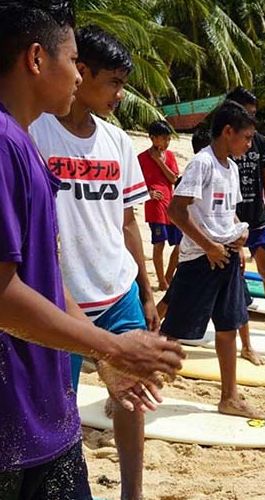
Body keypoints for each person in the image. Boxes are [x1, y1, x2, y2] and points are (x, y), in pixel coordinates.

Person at [0, 4, 183, 497]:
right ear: (39, 59)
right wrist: (108, 345)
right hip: (19, 393)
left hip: (88, 316)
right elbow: (4, 293)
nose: (80, 79)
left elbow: (56, 267)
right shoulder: (14, 141)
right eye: (73, 60)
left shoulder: (39, 141)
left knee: (125, 404)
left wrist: (115, 338)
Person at [29, 25, 160, 499]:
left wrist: (145, 290)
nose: (121, 96)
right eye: (115, 83)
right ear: (81, 73)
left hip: (117, 288)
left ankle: (132, 492)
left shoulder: (117, 142)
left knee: (131, 397)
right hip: (57, 297)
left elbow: (128, 223)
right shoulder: (33, 131)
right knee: (57, 409)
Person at [162, 100, 265, 419]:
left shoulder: (231, 168)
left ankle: (229, 397)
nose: (249, 145)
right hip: (201, 261)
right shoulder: (202, 163)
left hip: (227, 257)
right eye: (246, 138)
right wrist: (208, 246)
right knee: (171, 331)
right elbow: (176, 210)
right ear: (227, 131)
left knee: (228, 327)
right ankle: (129, 382)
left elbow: (227, 211)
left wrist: (238, 234)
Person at [193, 87, 265, 344]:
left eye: (253, 114)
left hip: (256, 217)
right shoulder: (218, 145)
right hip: (224, 222)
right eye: (246, 113)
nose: (250, 118)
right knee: (233, 279)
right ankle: (245, 341)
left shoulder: (259, 142)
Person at [139, 119, 181, 291]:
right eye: (163, 139)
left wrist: (159, 161)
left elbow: (174, 179)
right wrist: (147, 193)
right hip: (154, 206)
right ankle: (161, 281)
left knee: (180, 244)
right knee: (159, 243)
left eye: (168, 139)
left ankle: (168, 276)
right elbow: (134, 181)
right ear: (153, 138)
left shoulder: (169, 156)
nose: (166, 142)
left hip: (171, 205)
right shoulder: (141, 158)